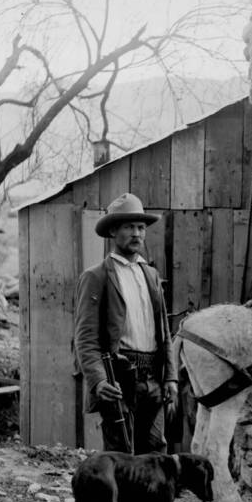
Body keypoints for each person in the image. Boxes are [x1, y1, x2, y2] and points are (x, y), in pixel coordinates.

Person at [73, 192, 178, 456]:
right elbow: (85, 338)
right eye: (129, 227)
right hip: (119, 380)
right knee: (122, 455)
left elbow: (164, 331)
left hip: (153, 378)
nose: (137, 234)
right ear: (112, 231)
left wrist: (171, 377)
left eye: (141, 227)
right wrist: (98, 380)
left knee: (155, 454)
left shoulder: (151, 275)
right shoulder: (96, 277)